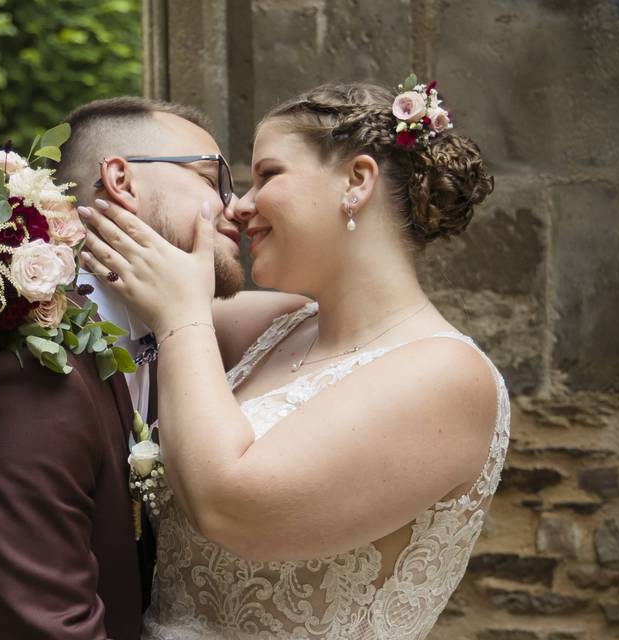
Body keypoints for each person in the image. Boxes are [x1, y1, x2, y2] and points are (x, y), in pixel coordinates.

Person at [79, 80, 509, 639]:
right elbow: (115, 298)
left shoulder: (449, 377)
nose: (239, 205)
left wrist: (182, 314)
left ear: (356, 182)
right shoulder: (271, 326)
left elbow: (228, 507)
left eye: (267, 175)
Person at [0, 96, 249, 640]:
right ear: (122, 180)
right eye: (212, 179)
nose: (238, 204)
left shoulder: (162, 334)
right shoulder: (23, 373)